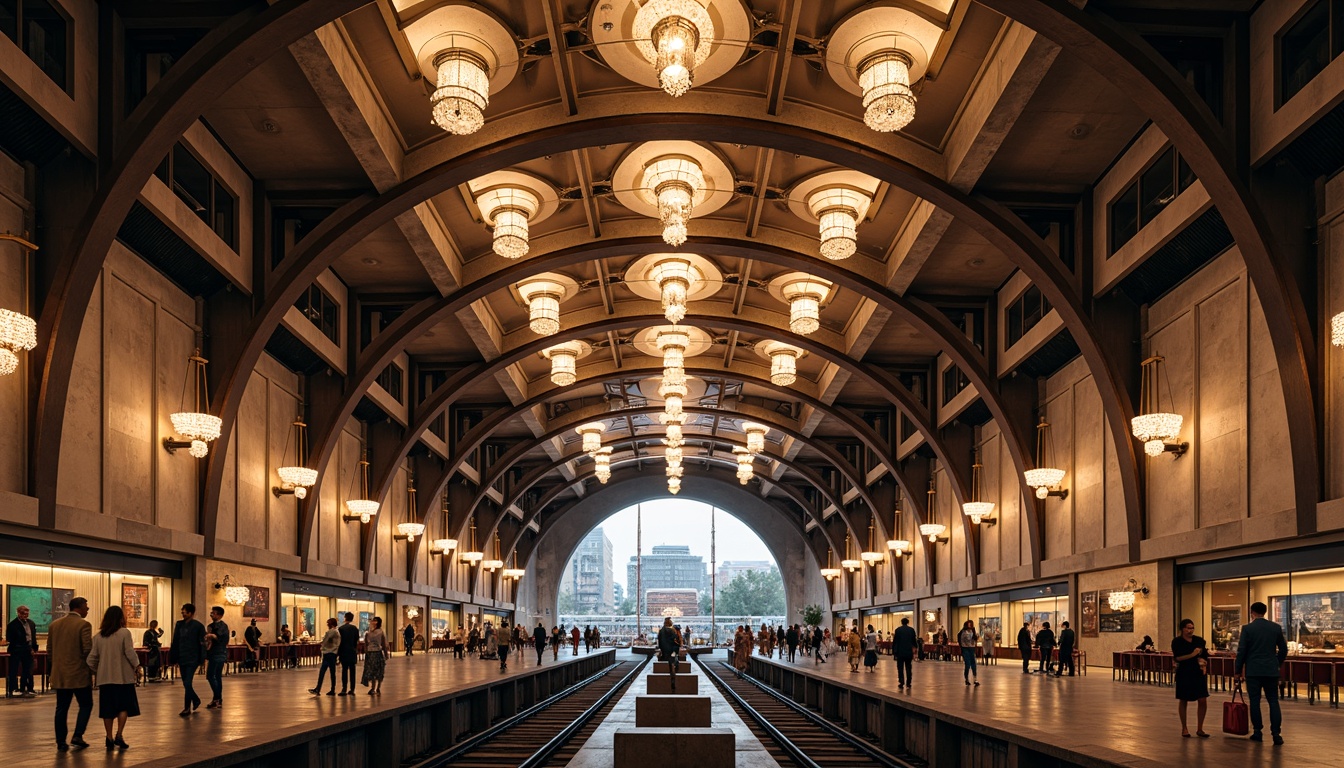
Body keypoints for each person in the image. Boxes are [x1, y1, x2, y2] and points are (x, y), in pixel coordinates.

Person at [87, 606, 140, 751]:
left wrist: (100, 670)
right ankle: (119, 735)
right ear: (120, 618)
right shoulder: (124, 633)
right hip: (123, 678)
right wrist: (137, 666)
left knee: (107, 709)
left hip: (105, 680)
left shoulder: (98, 637)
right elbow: (129, 652)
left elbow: (91, 659)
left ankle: (108, 737)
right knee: (123, 707)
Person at [1235, 601, 1288, 745]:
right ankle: (1276, 733)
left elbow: (1242, 651)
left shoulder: (1247, 629)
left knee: (1255, 701)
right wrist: (1276, 662)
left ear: (1252, 612)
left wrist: (1237, 670)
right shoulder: (1275, 628)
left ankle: (1257, 732)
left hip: (1253, 670)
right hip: (1271, 670)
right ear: (1265, 612)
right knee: (1273, 701)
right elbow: (1284, 649)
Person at [49, 596, 93, 751]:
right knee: (86, 704)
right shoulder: (84, 625)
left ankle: (61, 741)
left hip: (60, 674)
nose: (87, 610)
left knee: (61, 707)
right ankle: (78, 735)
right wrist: (92, 669)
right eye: (86, 607)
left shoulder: (54, 625)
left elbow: (50, 650)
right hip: (79, 674)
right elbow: (87, 649)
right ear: (79, 608)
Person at [1172, 618, 1210, 738]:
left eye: (1192, 628)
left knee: (1202, 699)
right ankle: (1184, 728)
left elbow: (1204, 655)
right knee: (1183, 699)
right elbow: (1177, 658)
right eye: (1188, 628)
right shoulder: (1177, 642)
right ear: (1182, 629)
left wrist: (1203, 661)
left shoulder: (1199, 640)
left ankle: (1200, 728)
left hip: (1198, 673)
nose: (1190, 630)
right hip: (1184, 672)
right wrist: (1192, 655)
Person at [169, 603, 206, 717]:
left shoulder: (198, 626)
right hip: (182, 657)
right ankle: (194, 701)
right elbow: (175, 641)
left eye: (184, 612)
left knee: (187, 682)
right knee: (186, 683)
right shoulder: (179, 625)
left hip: (193, 658)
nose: (183, 614)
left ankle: (187, 707)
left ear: (190, 613)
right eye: (182, 612)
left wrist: (202, 658)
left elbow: (202, 644)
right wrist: (173, 656)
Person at [7, 604, 38, 698]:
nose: (26, 615)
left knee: (28, 670)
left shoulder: (31, 623)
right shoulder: (12, 625)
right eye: (23, 613)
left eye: (27, 613)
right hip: (16, 650)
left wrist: (34, 648)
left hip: (28, 650)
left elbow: (33, 637)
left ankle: (26, 688)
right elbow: (10, 638)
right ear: (18, 613)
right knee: (14, 670)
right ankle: (13, 689)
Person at [203, 606, 229, 709]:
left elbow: (222, 638)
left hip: (219, 653)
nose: (211, 615)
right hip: (213, 653)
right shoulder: (210, 626)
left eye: (213, 613)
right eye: (211, 613)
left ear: (219, 615)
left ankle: (217, 698)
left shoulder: (223, 626)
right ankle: (217, 699)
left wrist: (213, 636)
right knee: (217, 677)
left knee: (211, 676)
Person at [309, 618, 340, 695]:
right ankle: (328, 689)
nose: (327, 625)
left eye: (328, 623)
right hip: (332, 653)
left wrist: (321, 647)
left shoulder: (332, 631)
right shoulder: (336, 631)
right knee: (331, 672)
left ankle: (319, 689)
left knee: (323, 672)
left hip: (329, 653)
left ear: (331, 624)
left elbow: (325, 641)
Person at [362, 617, 387, 694]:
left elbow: (383, 643)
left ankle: (378, 687)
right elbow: (366, 643)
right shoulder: (368, 632)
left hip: (377, 652)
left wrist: (385, 653)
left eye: (374, 621)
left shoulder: (381, 632)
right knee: (372, 670)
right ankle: (372, 688)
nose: (372, 622)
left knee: (379, 670)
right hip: (370, 652)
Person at [337, 612, 360, 696]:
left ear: (345, 618)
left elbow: (339, 642)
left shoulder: (341, 629)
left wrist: (338, 654)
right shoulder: (355, 628)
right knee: (352, 671)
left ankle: (344, 689)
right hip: (352, 652)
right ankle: (352, 689)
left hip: (343, 652)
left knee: (344, 670)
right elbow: (356, 641)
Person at [893, 617, 917, 690]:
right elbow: (914, 641)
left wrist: (894, 652)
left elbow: (895, 642)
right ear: (908, 622)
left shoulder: (898, 630)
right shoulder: (911, 630)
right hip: (908, 652)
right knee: (908, 667)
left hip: (900, 652)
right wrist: (915, 648)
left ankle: (901, 682)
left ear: (901, 622)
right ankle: (908, 683)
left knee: (900, 668)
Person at [657, 617, 681, 690]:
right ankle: (673, 681)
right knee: (673, 665)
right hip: (671, 652)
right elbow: (676, 642)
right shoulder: (672, 631)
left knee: (665, 668)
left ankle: (664, 685)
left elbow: (660, 643)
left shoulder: (661, 631)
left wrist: (662, 650)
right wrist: (675, 650)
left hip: (664, 652)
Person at [957, 620, 979, 686]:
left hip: (972, 648)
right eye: (969, 624)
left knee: (973, 664)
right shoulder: (963, 632)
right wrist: (961, 647)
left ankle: (975, 679)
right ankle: (966, 679)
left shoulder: (973, 631)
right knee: (967, 664)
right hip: (965, 648)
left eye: (971, 624)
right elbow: (960, 639)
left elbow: (975, 639)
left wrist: (976, 637)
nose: (970, 626)